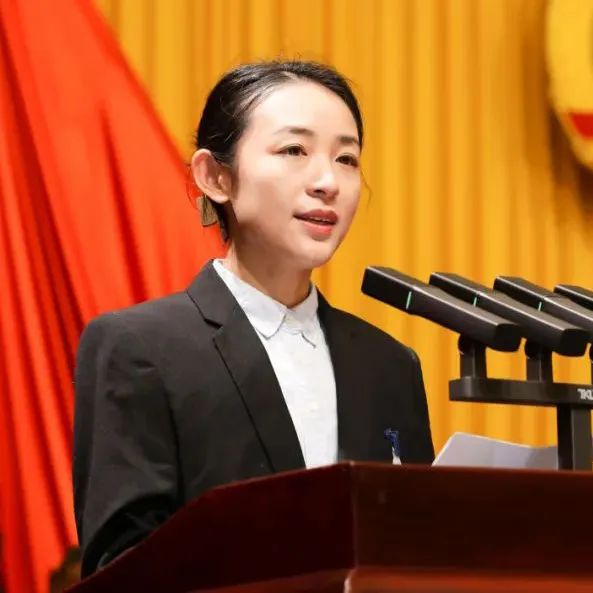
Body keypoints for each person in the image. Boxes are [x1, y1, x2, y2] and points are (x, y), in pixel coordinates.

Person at [73, 59, 434, 578]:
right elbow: (122, 569)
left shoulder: (390, 365)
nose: (327, 182)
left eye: (347, 158)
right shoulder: (140, 348)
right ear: (215, 177)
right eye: (294, 151)